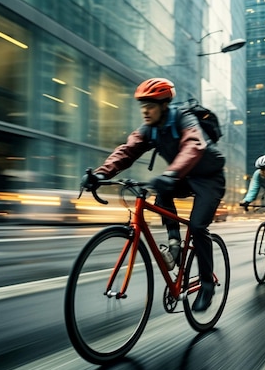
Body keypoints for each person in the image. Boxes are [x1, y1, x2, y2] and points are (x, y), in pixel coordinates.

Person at [81, 77, 226, 312]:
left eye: (150, 105)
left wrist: (171, 173)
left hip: (209, 178)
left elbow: (194, 146)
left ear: (164, 105)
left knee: (198, 227)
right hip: (183, 175)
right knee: (161, 192)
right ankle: (174, 243)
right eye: (142, 105)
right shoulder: (149, 129)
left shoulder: (183, 118)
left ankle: (207, 284)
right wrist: (100, 174)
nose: (145, 111)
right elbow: (127, 151)